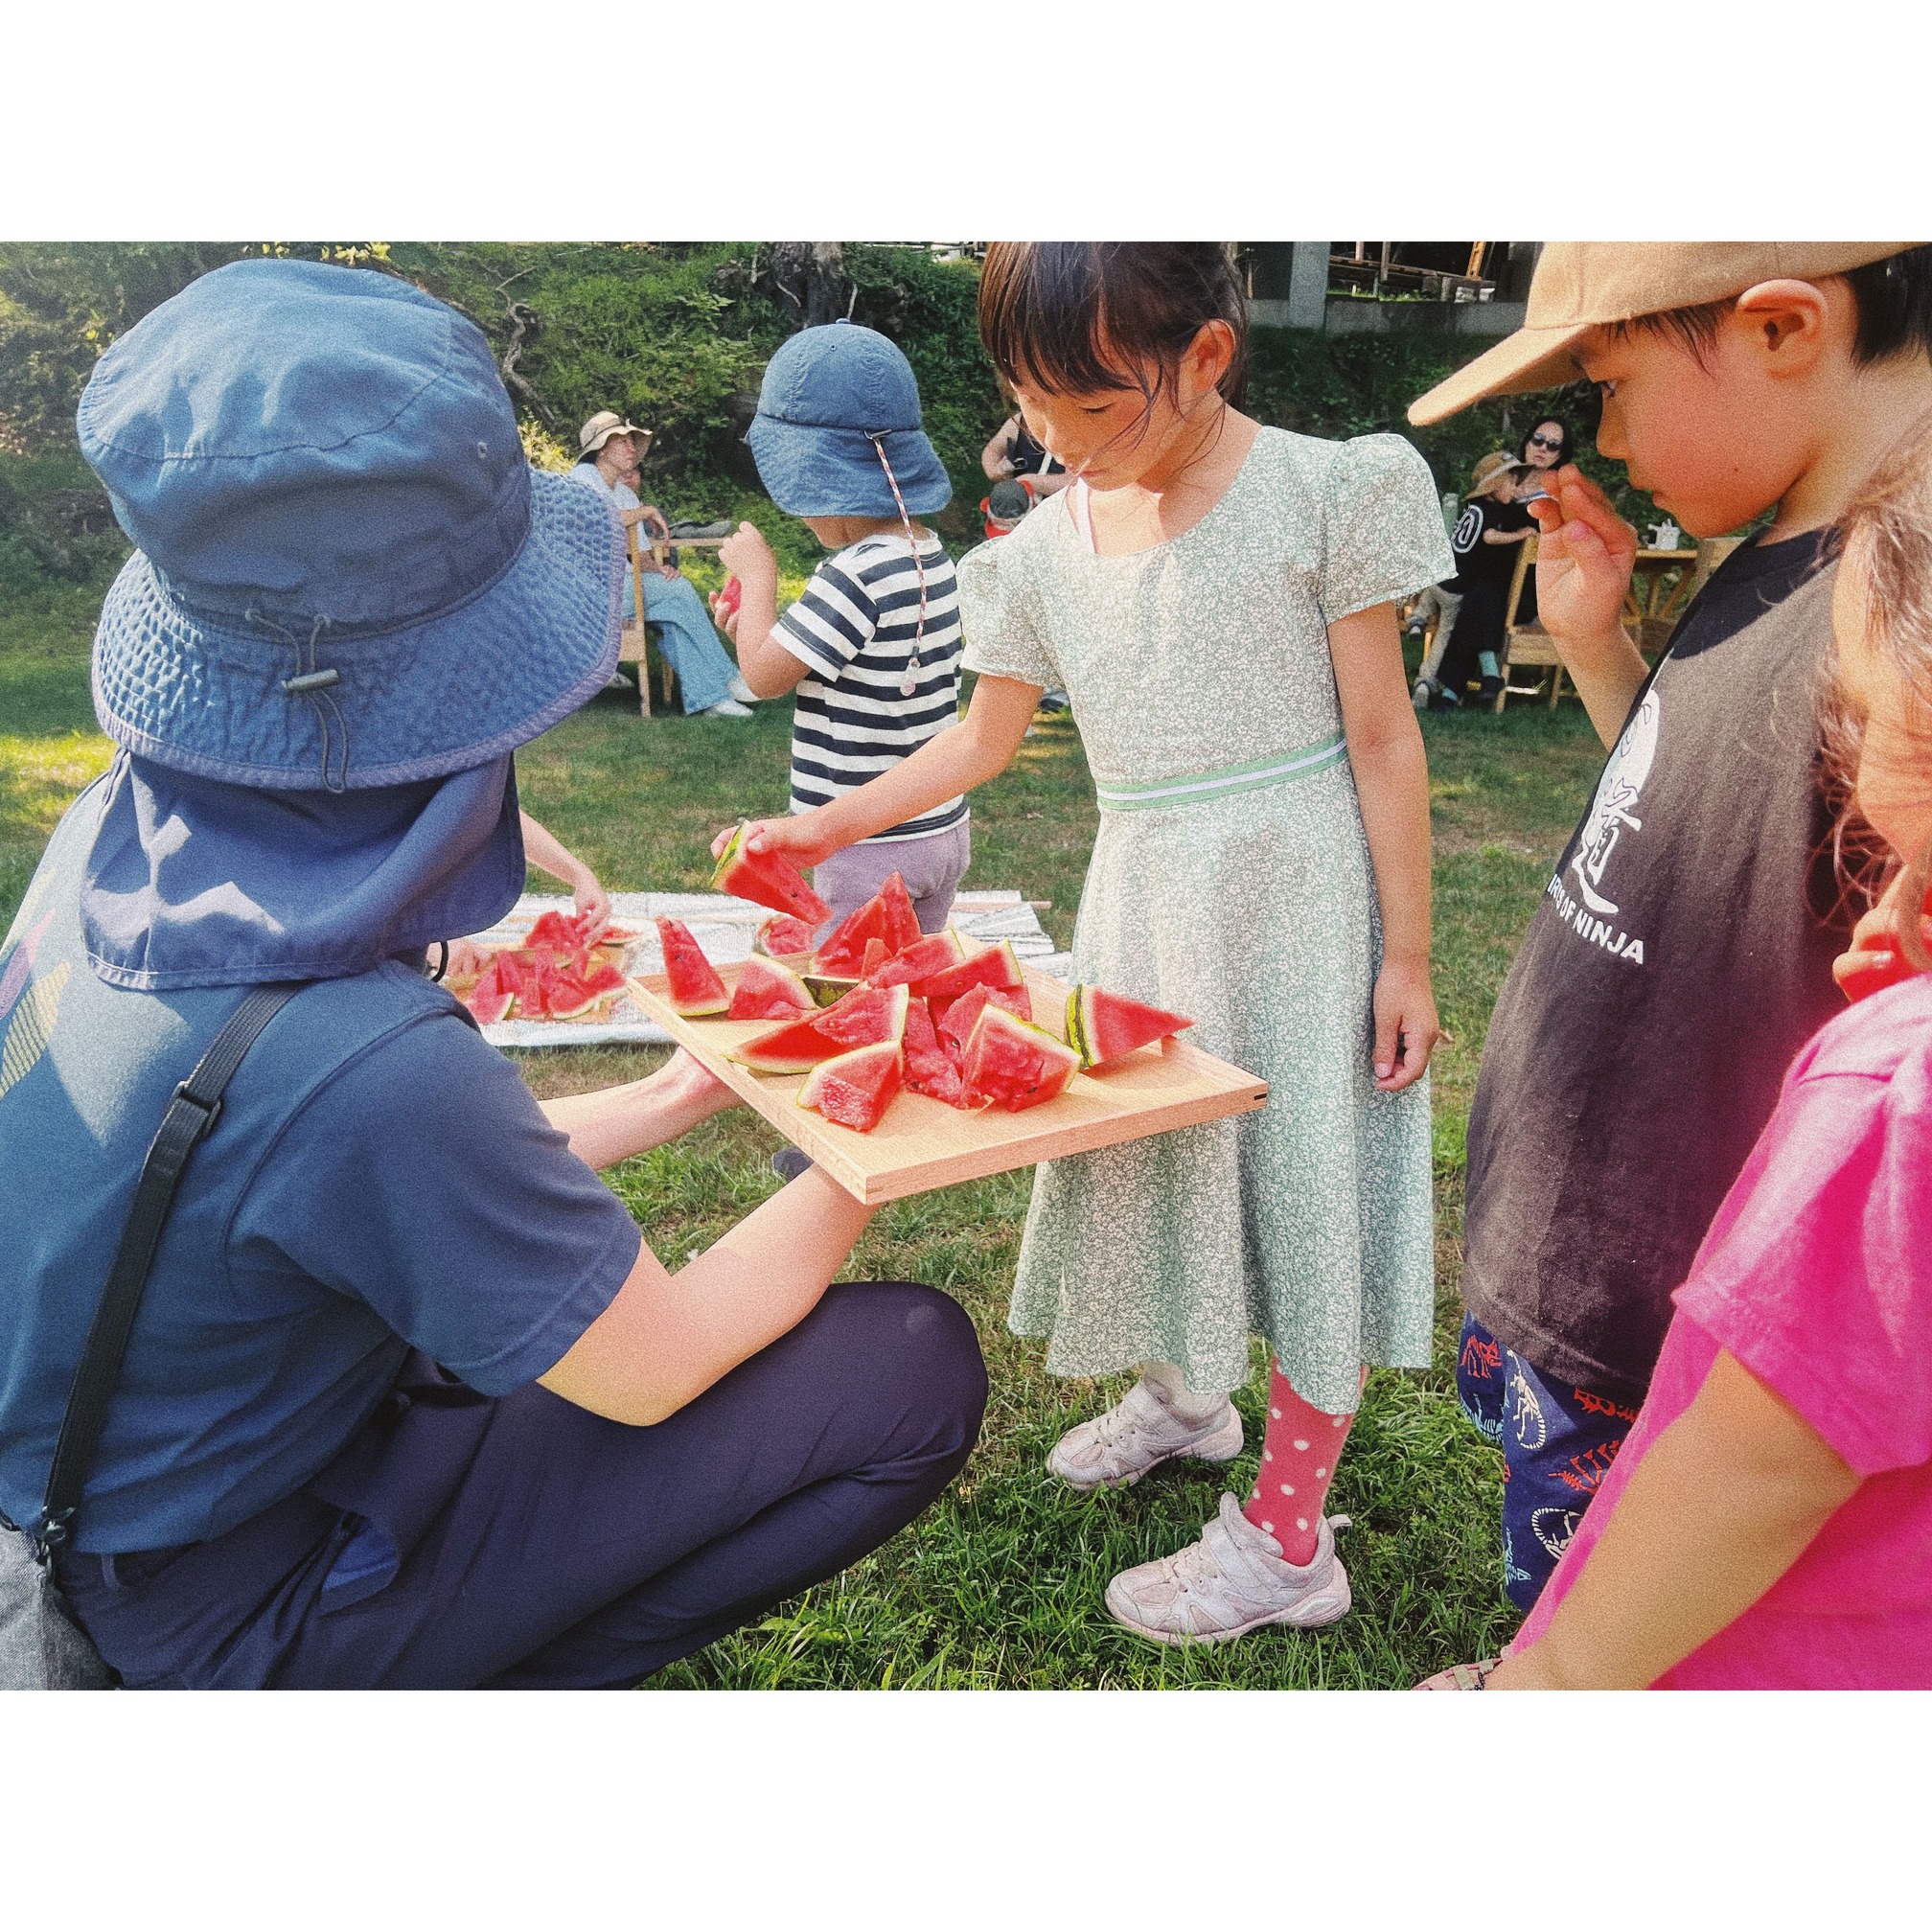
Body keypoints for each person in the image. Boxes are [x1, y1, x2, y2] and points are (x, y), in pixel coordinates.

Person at [0, 259, 986, 1690]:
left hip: (153, 1494)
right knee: (912, 1367)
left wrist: (672, 1098)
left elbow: (350, 1184)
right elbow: (658, 1359)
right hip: (233, 1605)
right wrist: (896, 1106)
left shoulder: (102, 838)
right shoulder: (361, 1059)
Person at [720, 242, 1450, 1644]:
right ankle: (1185, 1401)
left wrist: (1407, 956)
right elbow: (975, 741)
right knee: (1153, 1165)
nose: (1055, 436)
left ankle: (1289, 1541)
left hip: (1303, 907)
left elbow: (1382, 736)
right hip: (1144, 903)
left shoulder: (1330, 488)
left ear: (1208, 355)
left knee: (1310, 1196)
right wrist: (823, 826)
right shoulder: (1037, 553)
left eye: (1093, 402)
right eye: (1027, 399)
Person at [1407, 241, 1932, 1612]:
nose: (1608, 440)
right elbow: (1698, 813)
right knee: (1561, 1583)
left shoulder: (1902, 609)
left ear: (1781, 331)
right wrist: (1598, 646)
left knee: (1645, 1626)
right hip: (1591, 1237)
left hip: (1691, 1300)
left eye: (1612, 385)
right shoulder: (1784, 535)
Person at [714, 321, 971, 937]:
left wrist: (759, 577)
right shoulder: (932, 557)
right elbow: (847, 658)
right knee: (912, 984)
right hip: (940, 830)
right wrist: (751, 623)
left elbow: (763, 678)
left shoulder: (851, 574)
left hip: (863, 844)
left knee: (848, 988)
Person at [568, 411, 759, 720]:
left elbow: (639, 556)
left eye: (633, 442)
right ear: (601, 449)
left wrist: (659, 571)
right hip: (588, 594)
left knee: (674, 606)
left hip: (623, 587)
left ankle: (711, 700)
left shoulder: (624, 493)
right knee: (678, 595)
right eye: (622, 442)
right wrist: (646, 512)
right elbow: (599, 519)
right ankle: (727, 677)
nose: (632, 448)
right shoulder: (582, 479)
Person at [1418, 451, 1535, 710]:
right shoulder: (1496, 509)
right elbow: (1488, 538)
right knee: (1478, 599)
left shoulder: (1537, 505)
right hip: (1484, 587)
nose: (1543, 448)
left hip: (1524, 592)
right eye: (1537, 441)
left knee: (1479, 600)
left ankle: (1453, 691)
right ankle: (1485, 677)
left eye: (1552, 446)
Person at [982, 400, 1070, 497]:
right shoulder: (1019, 421)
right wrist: (994, 470)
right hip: (1018, 501)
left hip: (1062, 503)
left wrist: (1029, 482)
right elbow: (993, 449)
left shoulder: (1074, 427)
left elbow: (1074, 482)